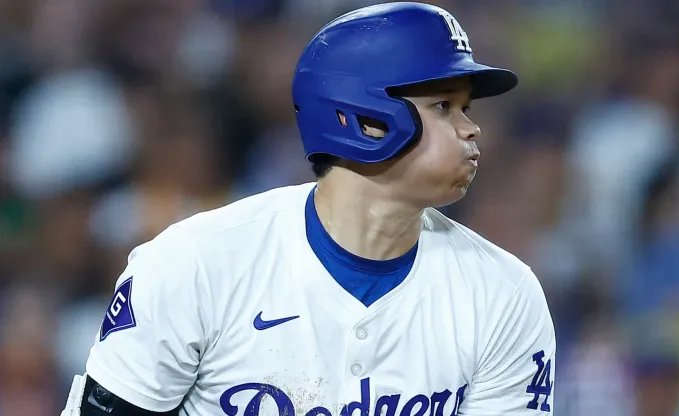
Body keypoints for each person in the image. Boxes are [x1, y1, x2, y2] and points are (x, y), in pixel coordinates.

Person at [61, 3, 556, 415]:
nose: (471, 130)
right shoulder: (195, 264)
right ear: (364, 119)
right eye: (444, 107)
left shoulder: (503, 294)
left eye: (466, 110)